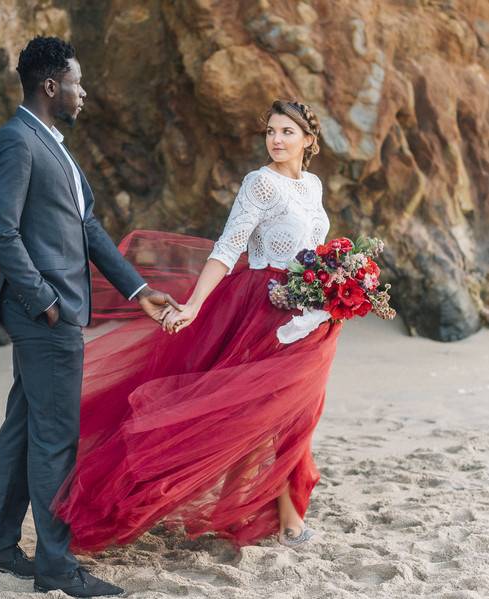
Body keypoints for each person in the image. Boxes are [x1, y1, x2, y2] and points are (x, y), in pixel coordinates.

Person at [52, 99, 340, 559]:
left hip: (308, 312)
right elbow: (228, 248)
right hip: (261, 310)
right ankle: (289, 520)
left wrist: (337, 284)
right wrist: (194, 305)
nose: (276, 139)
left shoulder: (312, 184)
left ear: (309, 140)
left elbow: (314, 248)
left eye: (287, 131)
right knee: (259, 411)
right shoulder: (260, 184)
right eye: (270, 131)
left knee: (294, 413)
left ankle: (271, 510)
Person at [0, 36, 179, 597]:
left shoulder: (53, 144)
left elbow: (87, 229)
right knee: (56, 438)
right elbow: (0, 231)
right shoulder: (15, 142)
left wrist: (139, 290)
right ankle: (57, 567)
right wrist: (43, 300)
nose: (84, 92)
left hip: (51, 313)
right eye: (78, 83)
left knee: (23, 427)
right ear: (50, 86)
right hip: (45, 317)